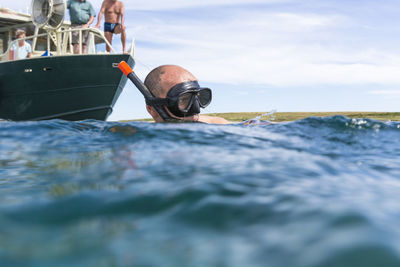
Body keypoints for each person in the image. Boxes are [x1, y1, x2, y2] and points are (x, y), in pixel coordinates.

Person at [143, 65, 230, 124]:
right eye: (183, 100)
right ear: (152, 110)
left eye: (198, 98)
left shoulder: (218, 126)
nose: (196, 112)